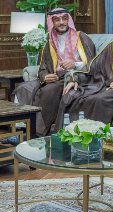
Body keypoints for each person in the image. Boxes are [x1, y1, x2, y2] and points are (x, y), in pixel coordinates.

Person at [14, 8, 96, 136]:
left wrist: (74, 64)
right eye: (57, 20)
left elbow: (94, 63)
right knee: (23, 88)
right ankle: (19, 130)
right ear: (52, 22)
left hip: (73, 77)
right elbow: (42, 67)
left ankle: (36, 132)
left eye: (64, 19)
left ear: (68, 20)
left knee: (48, 91)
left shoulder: (81, 37)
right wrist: (45, 76)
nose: (62, 22)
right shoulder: (50, 41)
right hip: (54, 77)